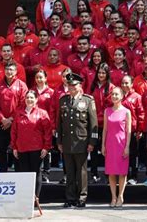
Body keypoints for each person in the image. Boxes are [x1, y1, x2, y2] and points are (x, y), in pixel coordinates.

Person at [57, 73, 98, 208]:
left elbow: (93, 124)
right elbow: (60, 123)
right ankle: (70, 198)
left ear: (80, 86)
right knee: (69, 172)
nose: (71, 88)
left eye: (74, 85)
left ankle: (81, 197)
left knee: (81, 172)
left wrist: (92, 142)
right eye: (69, 85)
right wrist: (59, 141)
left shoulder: (87, 100)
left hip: (82, 141)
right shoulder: (63, 100)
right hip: (67, 141)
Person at [11, 90, 52, 206]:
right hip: (22, 148)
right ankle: (26, 199)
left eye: (32, 98)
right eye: (27, 97)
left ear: (36, 99)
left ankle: (35, 199)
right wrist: (14, 146)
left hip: (37, 148)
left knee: (36, 173)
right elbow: (14, 131)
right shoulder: (18, 113)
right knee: (25, 174)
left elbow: (48, 132)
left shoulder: (42, 113)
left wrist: (46, 147)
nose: (29, 100)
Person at [0, 62, 28, 172]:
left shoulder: (21, 85)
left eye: (11, 69)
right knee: (1, 149)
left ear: (16, 71)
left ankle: (17, 171)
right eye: (7, 69)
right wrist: (2, 118)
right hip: (1, 123)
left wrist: (11, 119)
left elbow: (23, 105)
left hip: (16, 123)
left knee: (16, 148)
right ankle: (3, 170)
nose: (9, 71)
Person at [102, 87, 131, 208]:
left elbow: (128, 130)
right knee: (111, 172)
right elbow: (105, 129)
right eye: (112, 94)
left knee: (122, 172)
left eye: (116, 94)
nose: (114, 96)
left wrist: (127, 146)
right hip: (110, 143)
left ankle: (121, 196)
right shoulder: (107, 111)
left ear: (122, 96)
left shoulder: (126, 111)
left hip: (121, 143)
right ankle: (113, 196)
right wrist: (103, 145)